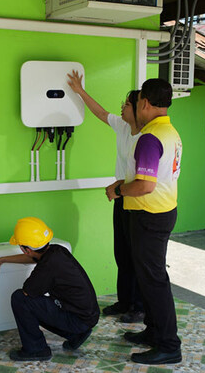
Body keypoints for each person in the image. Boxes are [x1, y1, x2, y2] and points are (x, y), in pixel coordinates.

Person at [107, 78, 183, 365]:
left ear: (145, 104)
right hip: (161, 212)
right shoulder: (169, 131)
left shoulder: (150, 138)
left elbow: (144, 185)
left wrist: (117, 190)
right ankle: (153, 332)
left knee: (154, 282)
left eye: (136, 102)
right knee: (149, 279)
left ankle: (168, 345)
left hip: (149, 216)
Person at [67, 70, 145, 324]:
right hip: (121, 197)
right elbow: (100, 112)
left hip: (138, 200)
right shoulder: (123, 127)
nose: (121, 107)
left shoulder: (147, 137)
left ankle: (139, 306)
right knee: (121, 252)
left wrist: (119, 187)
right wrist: (79, 91)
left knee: (138, 256)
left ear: (139, 109)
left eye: (126, 104)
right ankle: (124, 302)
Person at [0, 217, 99, 361]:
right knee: (40, 305)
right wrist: (4, 259)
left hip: (78, 319)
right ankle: (75, 335)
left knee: (20, 299)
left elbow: (27, 292)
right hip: (87, 315)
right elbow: (33, 258)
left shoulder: (47, 266)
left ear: (26, 249)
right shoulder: (56, 250)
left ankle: (36, 349)